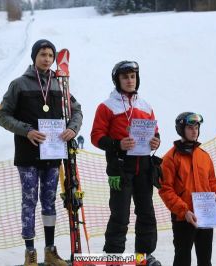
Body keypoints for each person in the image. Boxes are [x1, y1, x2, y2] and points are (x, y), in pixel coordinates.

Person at [0, 39, 82, 266]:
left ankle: (50, 251)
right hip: (28, 155)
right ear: (34, 56)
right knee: (29, 201)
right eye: (43, 54)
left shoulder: (60, 84)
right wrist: (27, 131)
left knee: (49, 201)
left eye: (51, 55)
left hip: (53, 154)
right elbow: (3, 116)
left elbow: (77, 110)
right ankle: (30, 252)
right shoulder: (19, 84)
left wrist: (72, 129)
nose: (47, 59)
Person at [90, 60, 161, 266]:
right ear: (117, 80)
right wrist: (118, 144)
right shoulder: (106, 106)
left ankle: (144, 256)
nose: (130, 80)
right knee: (120, 214)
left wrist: (156, 140)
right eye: (125, 77)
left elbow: (154, 132)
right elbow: (96, 136)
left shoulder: (145, 105)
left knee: (146, 212)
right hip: (120, 167)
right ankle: (114, 257)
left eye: (133, 76)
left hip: (145, 166)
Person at [158, 112, 216, 266]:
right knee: (182, 259)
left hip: (205, 216)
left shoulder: (204, 156)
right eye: (190, 127)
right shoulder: (170, 158)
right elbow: (166, 190)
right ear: (181, 129)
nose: (194, 131)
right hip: (183, 218)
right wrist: (184, 210)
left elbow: (212, 182)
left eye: (196, 127)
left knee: (205, 259)